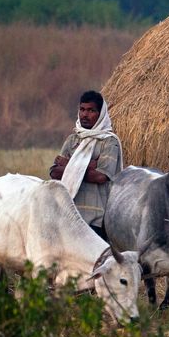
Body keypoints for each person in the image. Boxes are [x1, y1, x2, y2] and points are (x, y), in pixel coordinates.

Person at [49, 90, 123, 239]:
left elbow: (101, 177)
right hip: (67, 215)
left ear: (100, 114)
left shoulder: (109, 142)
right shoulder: (73, 139)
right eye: (82, 109)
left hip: (95, 220)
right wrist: (90, 165)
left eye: (91, 110)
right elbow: (54, 172)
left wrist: (68, 163)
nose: (85, 114)